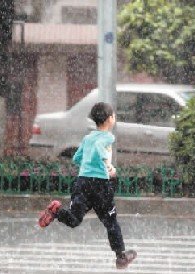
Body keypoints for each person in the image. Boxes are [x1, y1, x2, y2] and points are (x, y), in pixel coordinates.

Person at [38, 102, 137, 269]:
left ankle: (56, 211)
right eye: (113, 115)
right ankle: (121, 256)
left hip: (82, 182)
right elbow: (99, 149)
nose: (114, 118)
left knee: (74, 219)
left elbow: (76, 158)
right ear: (109, 119)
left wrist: (89, 163)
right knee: (111, 222)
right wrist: (108, 165)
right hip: (100, 185)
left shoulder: (88, 138)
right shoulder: (108, 137)